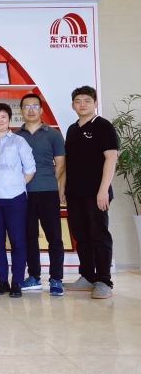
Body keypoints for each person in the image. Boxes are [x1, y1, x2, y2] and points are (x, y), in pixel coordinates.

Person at [61, 85, 118, 299]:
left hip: (97, 193)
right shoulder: (72, 129)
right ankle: (87, 277)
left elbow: (111, 158)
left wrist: (103, 190)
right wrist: (63, 187)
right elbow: (68, 163)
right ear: (72, 105)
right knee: (81, 236)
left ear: (95, 103)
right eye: (78, 101)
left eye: (87, 100)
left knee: (99, 235)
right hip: (75, 192)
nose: (82, 104)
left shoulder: (103, 126)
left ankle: (104, 281)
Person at [0, 103, 36, 298]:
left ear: (9, 119)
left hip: (15, 199)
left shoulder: (19, 141)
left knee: (17, 241)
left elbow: (30, 168)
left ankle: (17, 282)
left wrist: (16, 184)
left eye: (3, 117)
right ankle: (2, 281)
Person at [14, 93, 66, 296]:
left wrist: (47, 180)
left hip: (47, 192)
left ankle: (56, 279)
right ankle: (34, 276)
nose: (31, 110)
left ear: (41, 110)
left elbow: (60, 164)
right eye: (26, 106)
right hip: (23, 193)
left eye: (35, 106)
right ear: (21, 111)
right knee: (29, 236)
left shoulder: (53, 135)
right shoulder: (16, 136)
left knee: (54, 236)